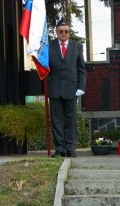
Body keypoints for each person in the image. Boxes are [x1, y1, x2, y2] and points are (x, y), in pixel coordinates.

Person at [48, 18, 86, 157]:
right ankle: (59, 148)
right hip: (55, 89)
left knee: (71, 120)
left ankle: (70, 148)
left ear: (69, 32)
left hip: (71, 89)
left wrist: (81, 87)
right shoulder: (48, 47)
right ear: (56, 33)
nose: (64, 34)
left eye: (66, 31)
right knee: (56, 120)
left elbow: (81, 69)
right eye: (61, 32)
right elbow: (44, 67)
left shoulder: (77, 47)